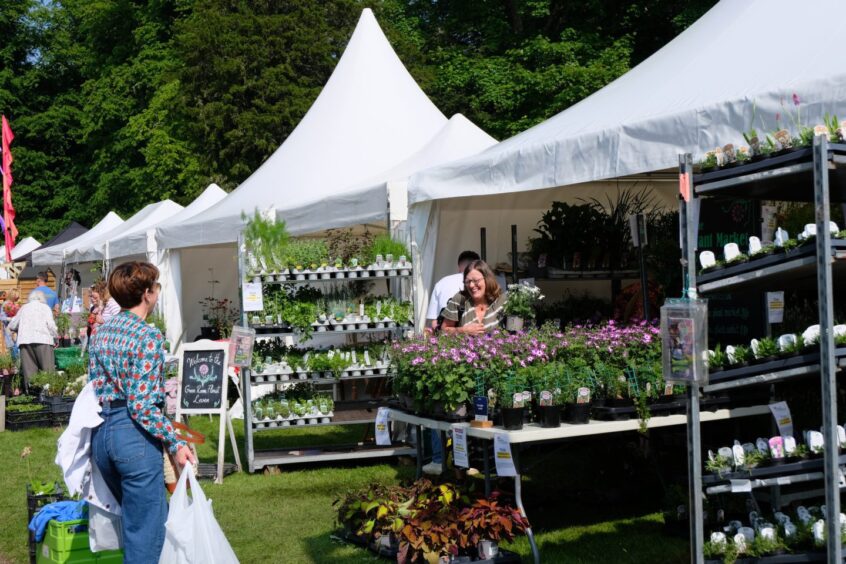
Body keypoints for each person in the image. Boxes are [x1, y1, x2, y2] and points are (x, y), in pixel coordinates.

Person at [89, 261, 196, 563]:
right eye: (157, 288)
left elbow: (93, 387)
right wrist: (176, 443)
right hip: (132, 437)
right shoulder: (148, 336)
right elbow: (142, 406)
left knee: (134, 526)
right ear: (147, 294)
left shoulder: (100, 333)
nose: (158, 293)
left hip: (103, 433)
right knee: (146, 538)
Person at [440, 259, 508, 334]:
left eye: (476, 280)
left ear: (487, 279)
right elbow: (443, 331)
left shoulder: (502, 301)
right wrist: (463, 330)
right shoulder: (460, 299)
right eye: (468, 281)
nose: (471, 285)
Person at [8, 291, 57, 390]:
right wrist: (56, 336)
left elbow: (13, 325)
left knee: (30, 375)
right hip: (43, 340)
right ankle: (49, 396)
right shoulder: (45, 308)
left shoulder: (24, 308)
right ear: (42, 299)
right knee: (48, 372)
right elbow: (51, 325)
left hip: (25, 341)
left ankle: (33, 397)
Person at [426, 250, 480, 331]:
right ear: (478, 266)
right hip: (474, 335)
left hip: (446, 337)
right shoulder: (480, 283)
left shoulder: (441, 282)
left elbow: (433, 321)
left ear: (459, 266)